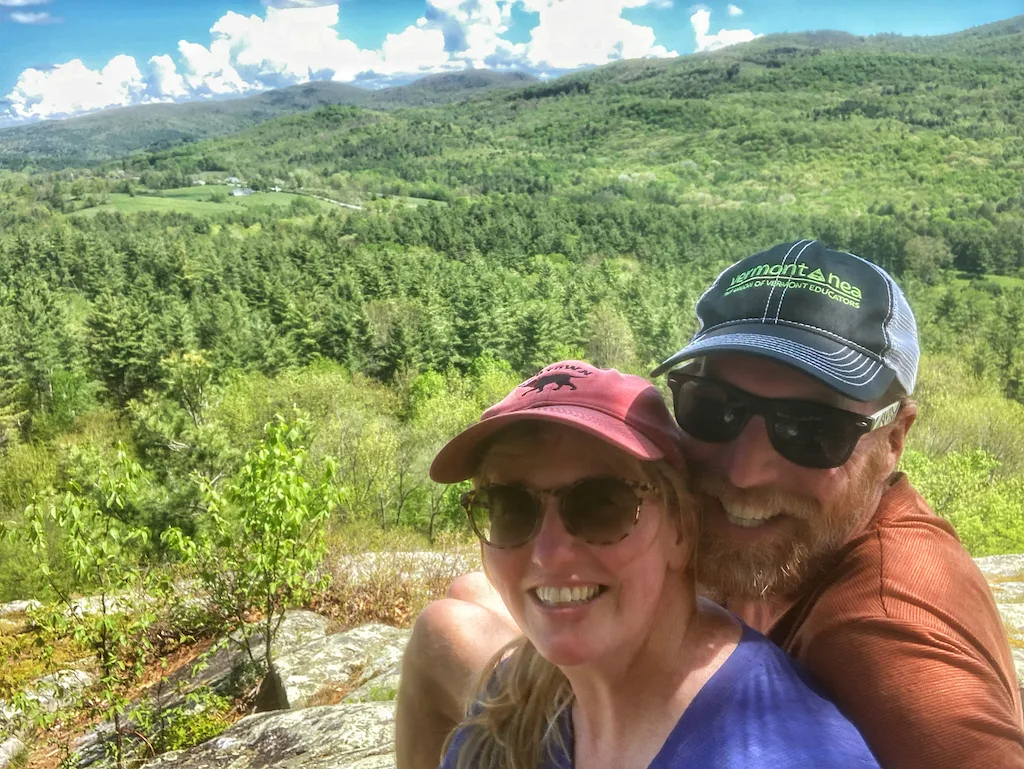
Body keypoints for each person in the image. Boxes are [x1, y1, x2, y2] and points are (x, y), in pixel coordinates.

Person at [396, 240, 1024, 769]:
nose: (745, 472)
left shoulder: (886, 635)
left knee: (444, 636)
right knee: (463, 599)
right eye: (713, 409)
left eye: (811, 432)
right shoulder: (770, 532)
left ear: (894, 439)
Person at [428, 360, 880, 769]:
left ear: (682, 529)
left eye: (602, 505)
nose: (548, 553)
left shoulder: (775, 754)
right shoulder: (518, 697)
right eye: (510, 507)